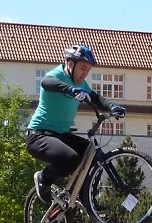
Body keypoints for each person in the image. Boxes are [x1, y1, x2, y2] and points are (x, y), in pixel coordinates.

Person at [25, 44, 126, 203]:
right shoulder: (57, 75)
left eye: (88, 71)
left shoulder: (82, 85)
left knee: (92, 156)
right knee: (70, 158)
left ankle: (85, 198)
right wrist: (71, 90)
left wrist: (112, 106)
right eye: (82, 69)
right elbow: (46, 82)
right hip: (38, 136)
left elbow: (96, 98)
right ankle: (43, 178)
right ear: (70, 64)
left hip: (61, 135)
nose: (84, 74)